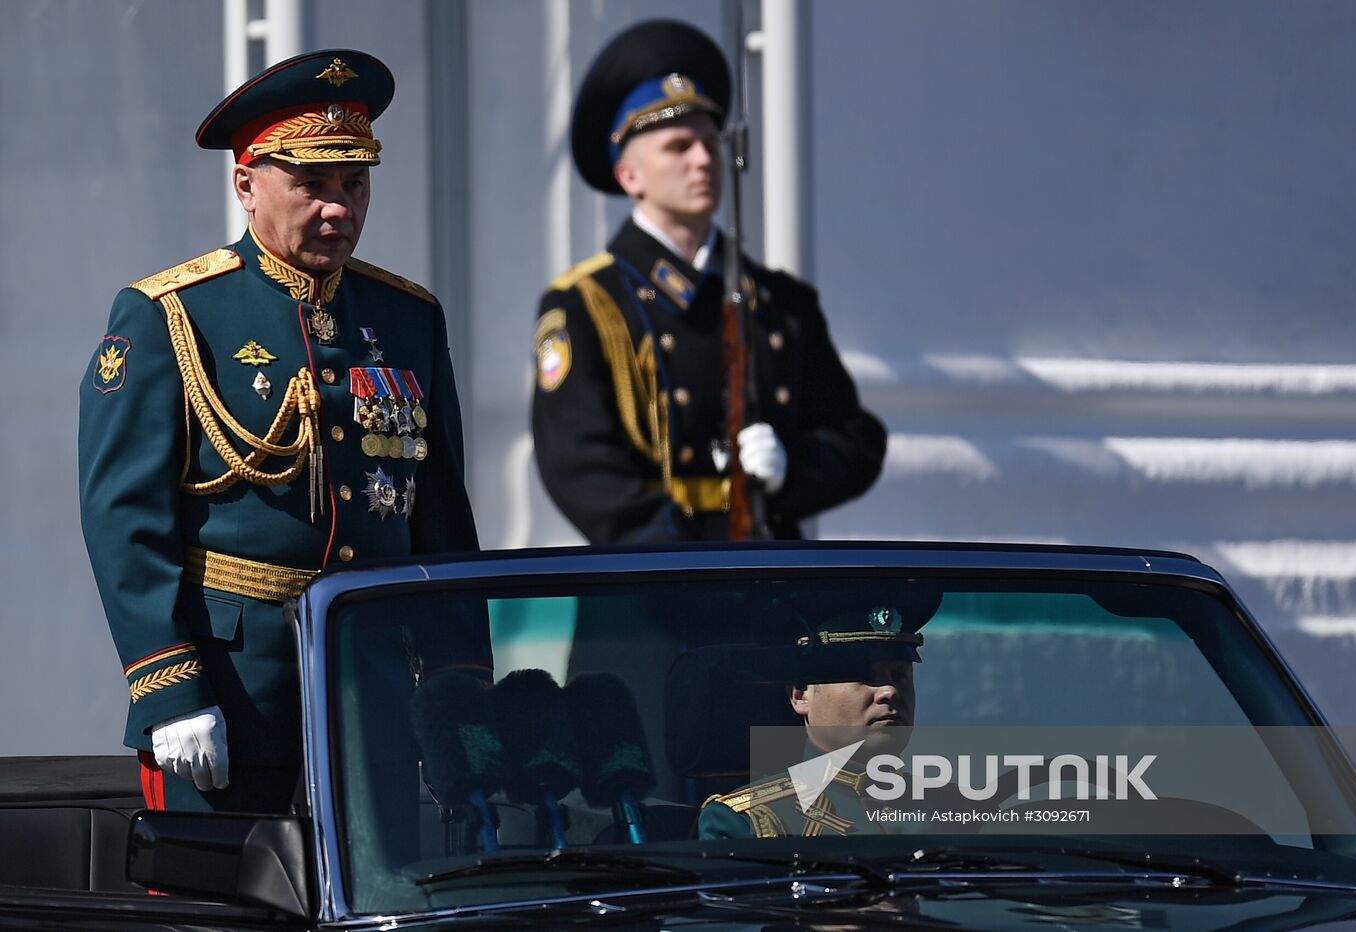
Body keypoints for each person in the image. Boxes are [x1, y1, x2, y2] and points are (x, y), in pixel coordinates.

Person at [78, 49, 490, 814]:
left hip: (377, 692)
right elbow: (125, 521)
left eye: (354, 183)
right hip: (233, 698)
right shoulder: (172, 315)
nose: (338, 207)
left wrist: (460, 683)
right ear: (247, 185)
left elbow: (440, 519)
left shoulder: (407, 318)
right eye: (311, 185)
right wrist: (168, 684)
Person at [532, 19, 886, 543]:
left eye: (709, 143)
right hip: (651, 593)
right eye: (679, 146)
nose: (703, 159)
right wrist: (690, 563)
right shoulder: (588, 305)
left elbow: (857, 440)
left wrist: (792, 470)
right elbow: (580, 466)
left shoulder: (779, 302)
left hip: (773, 585)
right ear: (630, 177)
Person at [696, 590, 930, 838]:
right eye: (864, 675)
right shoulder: (749, 821)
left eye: (900, 676)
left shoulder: (963, 808)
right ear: (801, 694)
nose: (889, 691)